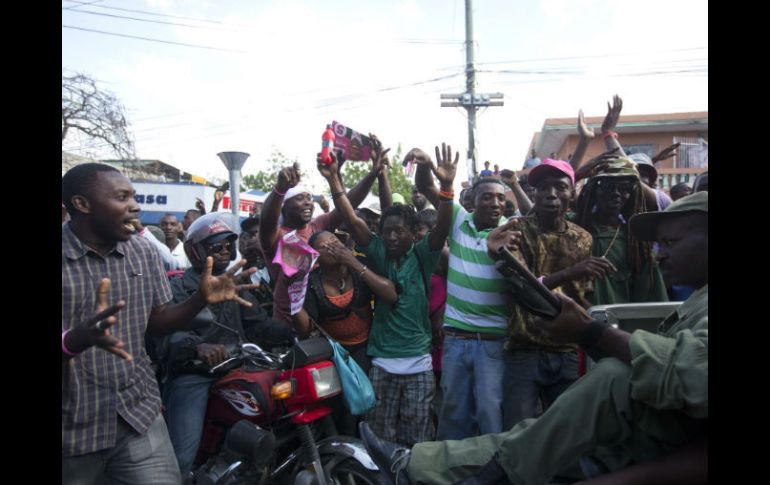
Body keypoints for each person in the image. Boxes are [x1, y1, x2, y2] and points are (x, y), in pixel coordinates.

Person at [360, 191, 708, 485]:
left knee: (569, 409)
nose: (660, 254)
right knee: (532, 431)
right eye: (659, 243)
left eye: (671, 243)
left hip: (630, 430)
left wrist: (590, 331)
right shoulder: (698, 298)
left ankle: (472, 474)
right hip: (532, 355)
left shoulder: (581, 237)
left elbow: (687, 374)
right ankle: (417, 465)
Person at [62, 163, 260, 485]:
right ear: (82, 204)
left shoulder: (142, 251)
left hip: (137, 415)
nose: (135, 206)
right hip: (72, 430)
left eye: (134, 196)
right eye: (122, 197)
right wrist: (74, 340)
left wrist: (199, 299)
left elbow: (158, 322)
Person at [321, 143, 458, 447]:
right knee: (380, 439)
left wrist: (446, 188)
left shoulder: (424, 255)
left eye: (400, 231)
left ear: (412, 232)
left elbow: (444, 224)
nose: (393, 237)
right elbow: (353, 220)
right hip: (381, 363)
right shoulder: (380, 252)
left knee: (416, 439)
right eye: (387, 231)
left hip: (419, 365)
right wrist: (334, 181)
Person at [159, 212, 294, 477]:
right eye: (214, 247)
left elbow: (257, 324)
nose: (223, 252)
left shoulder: (236, 283)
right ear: (195, 252)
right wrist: (198, 347)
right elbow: (164, 335)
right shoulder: (177, 287)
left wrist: (295, 332)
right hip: (195, 375)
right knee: (181, 458)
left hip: (239, 369)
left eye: (227, 246)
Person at [491, 159, 613, 429]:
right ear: (534, 193)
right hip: (525, 348)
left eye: (560, 187)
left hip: (567, 349)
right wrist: (572, 271)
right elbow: (523, 285)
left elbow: (582, 294)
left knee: (566, 432)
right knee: (516, 431)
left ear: (572, 192)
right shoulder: (517, 231)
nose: (551, 194)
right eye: (543, 187)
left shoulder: (583, 238)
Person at [414, 153, 512, 440]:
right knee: (454, 415)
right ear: (473, 201)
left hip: (494, 342)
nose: (495, 203)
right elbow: (425, 185)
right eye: (487, 197)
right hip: (456, 340)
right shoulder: (458, 219)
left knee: (490, 415)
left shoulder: (512, 231)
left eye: (500, 198)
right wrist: (427, 166)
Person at [259, 153, 386, 324]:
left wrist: (373, 174)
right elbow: (266, 222)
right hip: (287, 324)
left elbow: (348, 205)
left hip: (321, 322)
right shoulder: (277, 237)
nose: (307, 203)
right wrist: (279, 189)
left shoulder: (318, 226)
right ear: (285, 207)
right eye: (299, 198)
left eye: (309, 198)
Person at [291, 230, 397, 436]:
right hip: (334, 356)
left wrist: (353, 262)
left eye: (335, 241)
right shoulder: (311, 281)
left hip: (366, 348)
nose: (332, 246)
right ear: (315, 255)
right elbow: (304, 330)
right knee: (342, 409)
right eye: (324, 246)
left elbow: (390, 294)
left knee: (366, 404)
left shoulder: (359, 269)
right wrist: (294, 299)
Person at [573, 157, 668, 306]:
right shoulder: (571, 225)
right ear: (594, 189)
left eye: (624, 188)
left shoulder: (637, 244)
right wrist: (576, 176)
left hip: (614, 326)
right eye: (609, 187)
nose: (616, 193)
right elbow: (533, 218)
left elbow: (650, 306)